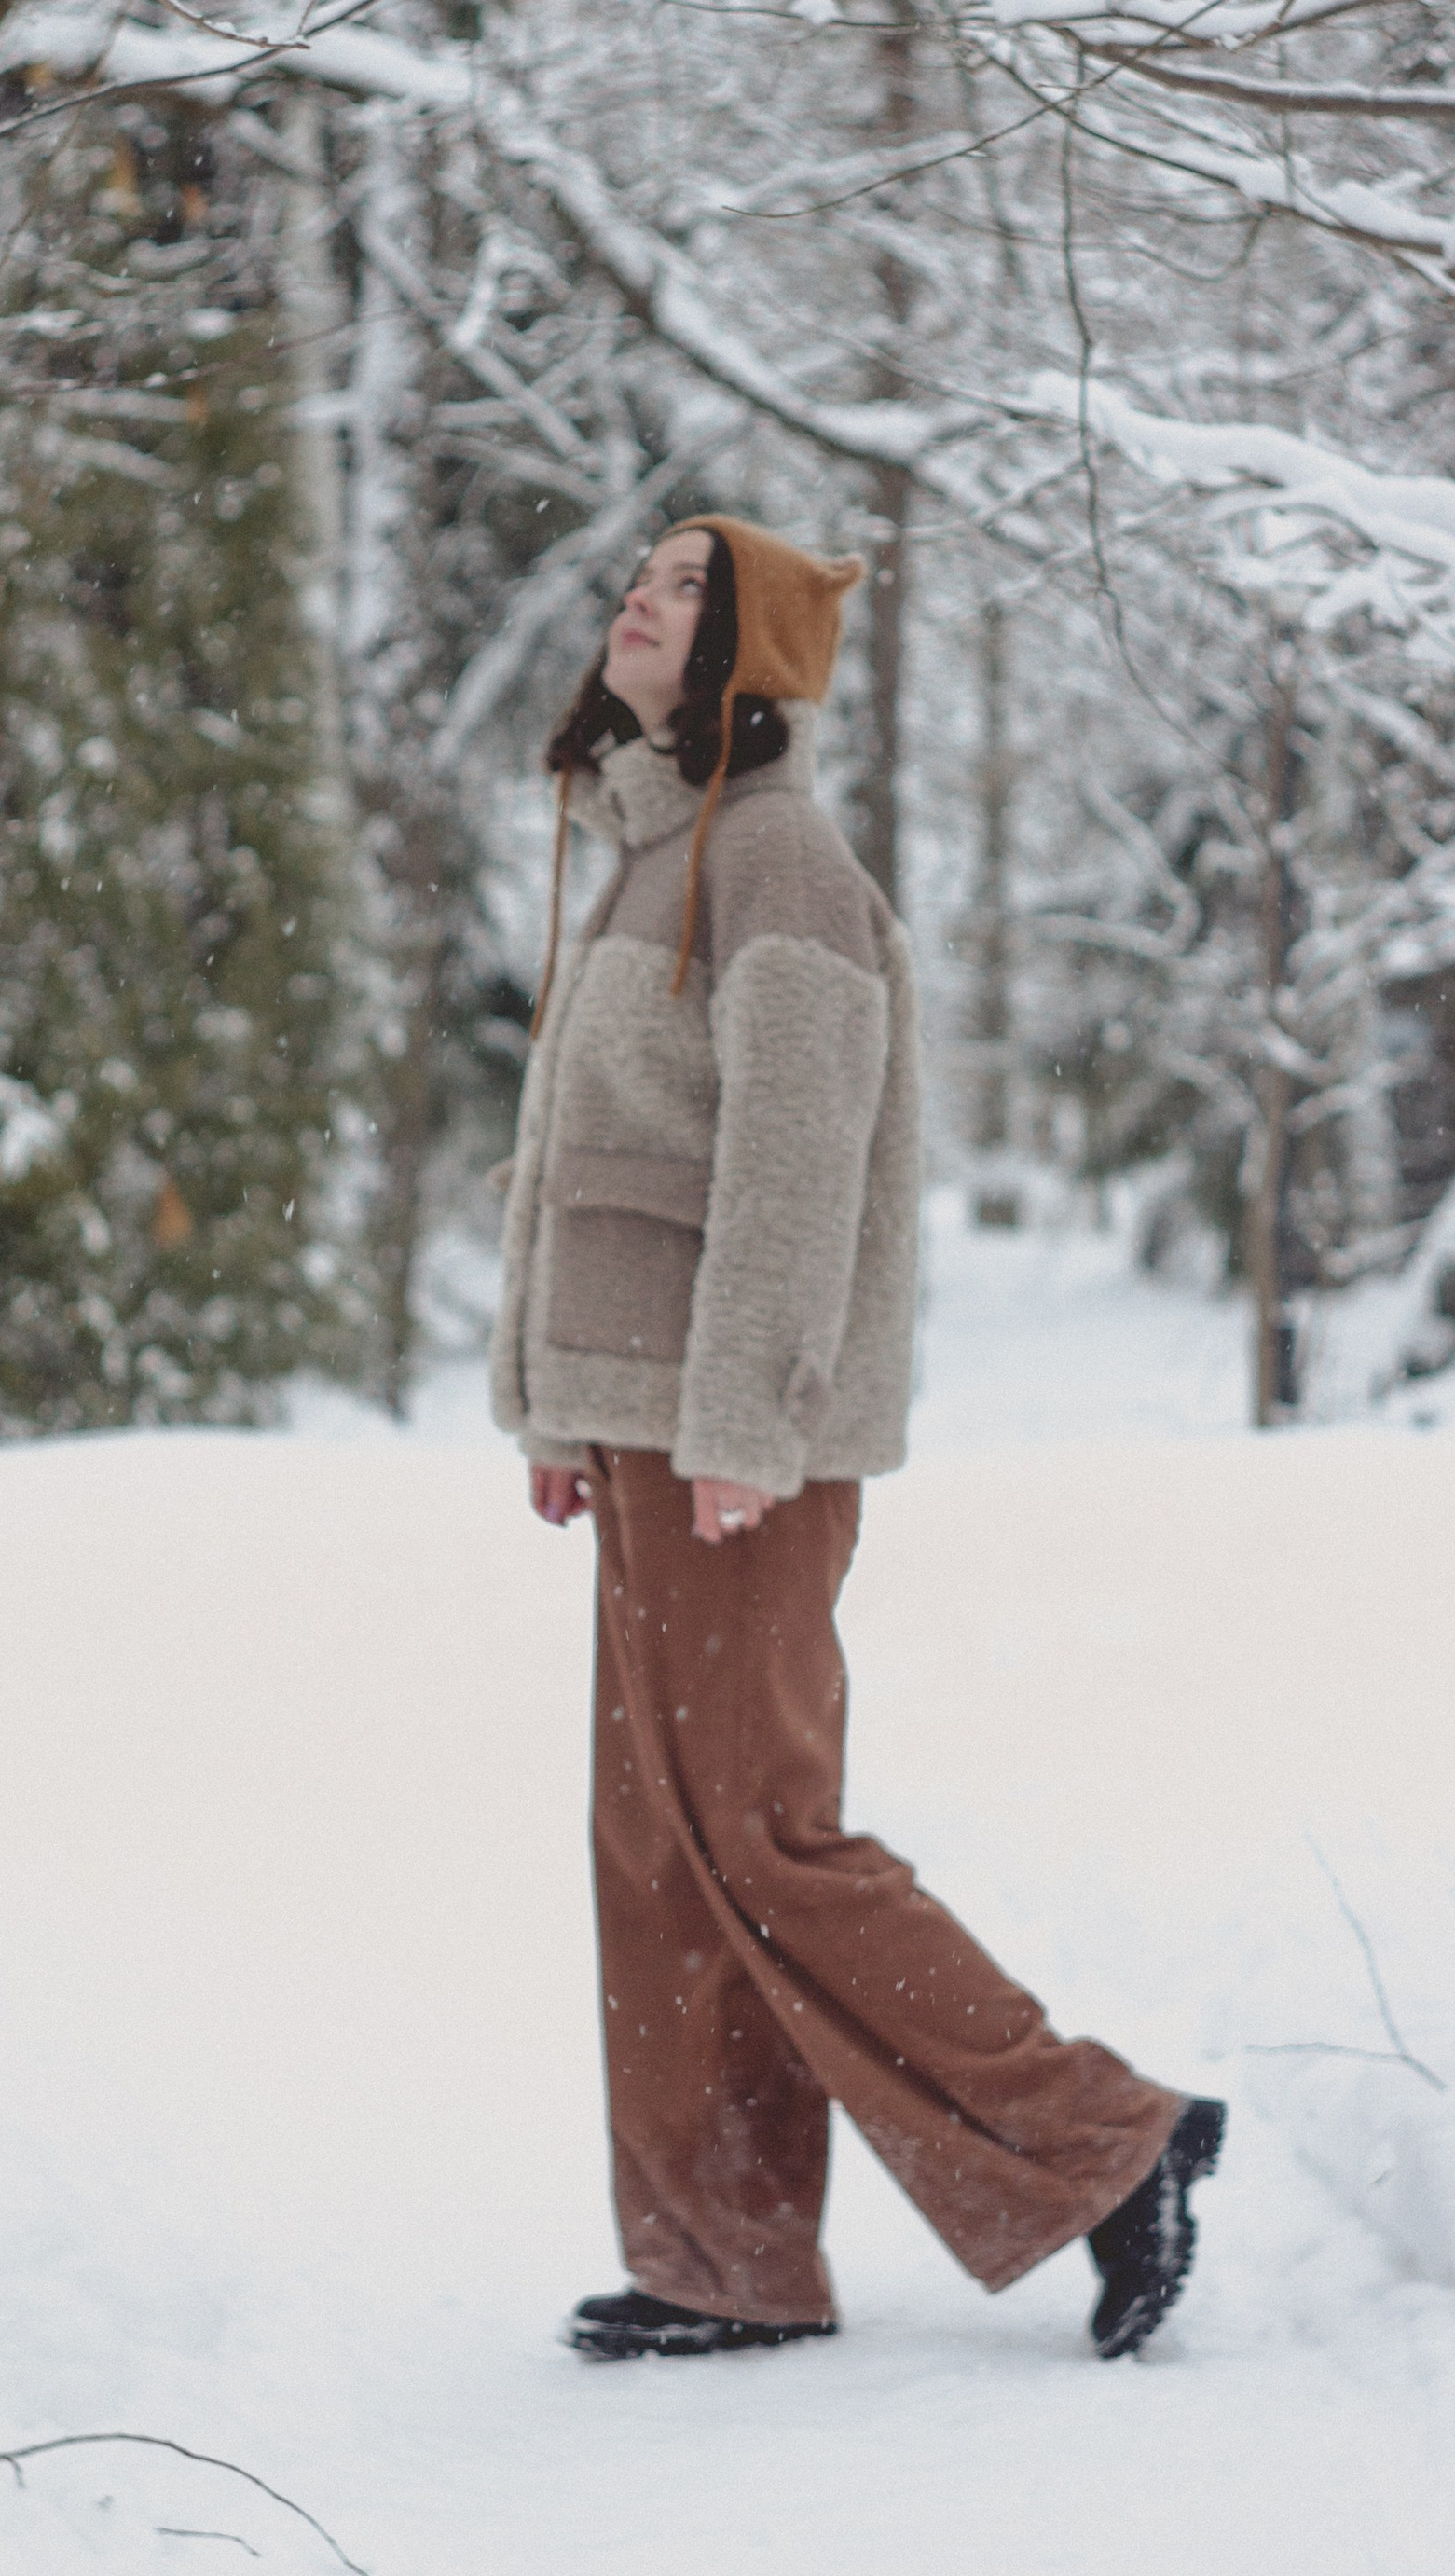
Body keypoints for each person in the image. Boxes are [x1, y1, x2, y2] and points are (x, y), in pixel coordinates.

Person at [491, 514, 1223, 2362]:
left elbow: (794, 1173)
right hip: (650, 1422)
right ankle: (720, 2254)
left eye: (678, 585)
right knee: (658, 1845)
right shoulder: (654, 848)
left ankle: (1106, 2141)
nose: (634, 602)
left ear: (743, 651)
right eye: (639, 580)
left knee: (762, 1837)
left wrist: (748, 1417)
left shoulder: (777, 862)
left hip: (739, 1444)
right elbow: (613, 1163)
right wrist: (575, 1402)